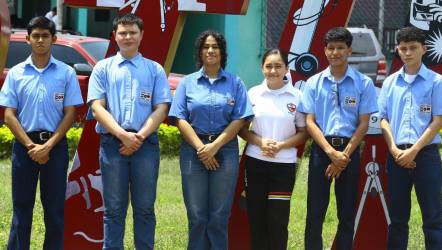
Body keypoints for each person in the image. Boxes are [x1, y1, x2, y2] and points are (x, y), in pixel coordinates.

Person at [87, 13, 171, 249]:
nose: (127, 37)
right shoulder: (103, 68)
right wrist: (123, 136)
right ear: (115, 36)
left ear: (141, 35)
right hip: (113, 145)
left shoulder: (154, 70)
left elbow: (162, 107)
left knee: (144, 208)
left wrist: (139, 137)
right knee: (113, 209)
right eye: (123, 32)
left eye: (133, 32)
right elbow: (97, 107)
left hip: (146, 145)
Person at [0, 16, 83, 249]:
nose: (40, 40)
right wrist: (30, 146)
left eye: (45, 36)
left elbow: (70, 113)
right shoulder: (16, 73)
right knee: (22, 208)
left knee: (55, 209)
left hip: (54, 148)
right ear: (27, 39)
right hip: (24, 147)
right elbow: (8, 115)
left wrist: (48, 146)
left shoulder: (66, 73)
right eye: (35, 36)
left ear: (54, 39)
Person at [168, 30, 253, 250]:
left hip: (225, 151)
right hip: (193, 151)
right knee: (196, 213)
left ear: (222, 52)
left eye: (215, 46)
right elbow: (179, 118)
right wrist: (201, 148)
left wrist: (214, 147)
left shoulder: (235, 83)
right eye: (206, 47)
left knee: (219, 213)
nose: (211, 51)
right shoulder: (187, 83)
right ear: (200, 52)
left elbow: (240, 118)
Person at [297, 27, 378, 250]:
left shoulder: (363, 83)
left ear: (349, 50)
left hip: (349, 153)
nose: (335, 52)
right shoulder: (314, 82)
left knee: (347, 213)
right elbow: (310, 122)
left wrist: (343, 156)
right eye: (331, 48)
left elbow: (363, 123)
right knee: (315, 212)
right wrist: (331, 154)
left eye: (340, 48)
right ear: (324, 51)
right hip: (322, 151)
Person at [378, 26, 442, 250]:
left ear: (424, 49)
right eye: (403, 48)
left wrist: (413, 151)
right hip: (396, 157)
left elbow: (437, 121)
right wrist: (394, 149)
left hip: (425, 156)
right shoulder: (390, 82)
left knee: (433, 218)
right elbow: (383, 119)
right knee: (397, 219)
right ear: (397, 49)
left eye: (413, 48)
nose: (408, 53)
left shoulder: (437, 82)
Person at [239, 48, 307, 250]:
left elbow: (304, 132)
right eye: (268, 66)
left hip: (283, 166)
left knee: (278, 221)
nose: (273, 71)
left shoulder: (297, 96)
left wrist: (281, 146)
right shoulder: (253, 93)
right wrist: (260, 143)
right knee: (257, 219)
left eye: (278, 66)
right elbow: (241, 129)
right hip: (255, 163)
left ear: (286, 68)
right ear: (262, 68)